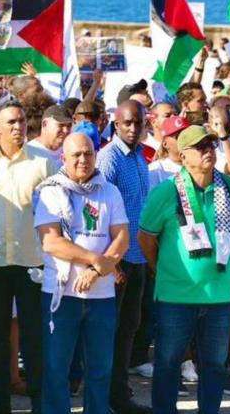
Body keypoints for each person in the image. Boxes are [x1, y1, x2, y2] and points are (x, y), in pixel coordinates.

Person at [139, 126, 230, 414]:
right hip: (175, 297)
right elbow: (146, 238)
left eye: (211, 144)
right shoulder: (165, 192)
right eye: (200, 146)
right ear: (184, 156)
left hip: (218, 296)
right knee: (168, 364)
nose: (209, 149)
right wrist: (163, 269)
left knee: (213, 366)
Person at [0, 100, 57, 413]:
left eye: (21, 121)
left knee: (35, 333)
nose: (18, 127)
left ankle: (38, 397)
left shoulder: (45, 162)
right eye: (11, 122)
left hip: (34, 262)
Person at [35, 133, 130, 414]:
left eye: (88, 153)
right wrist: (95, 261)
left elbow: (122, 238)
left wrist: (96, 271)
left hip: (102, 295)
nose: (82, 160)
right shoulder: (49, 190)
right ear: (63, 158)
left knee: (101, 369)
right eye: (76, 154)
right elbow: (51, 241)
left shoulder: (109, 191)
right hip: (61, 293)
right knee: (56, 369)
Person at [95, 100, 152, 414]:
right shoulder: (109, 158)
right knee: (109, 332)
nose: (132, 128)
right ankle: (104, 397)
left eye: (137, 123)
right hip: (116, 262)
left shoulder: (141, 157)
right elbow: (100, 213)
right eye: (126, 123)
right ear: (116, 124)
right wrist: (111, 262)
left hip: (138, 258)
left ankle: (119, 394)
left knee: (129, 328)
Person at [148, 116, 191, 189]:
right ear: (165, 144)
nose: (185, 140)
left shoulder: (202, 163)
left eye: (188, 135)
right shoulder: (155, 170)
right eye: (178, 137)